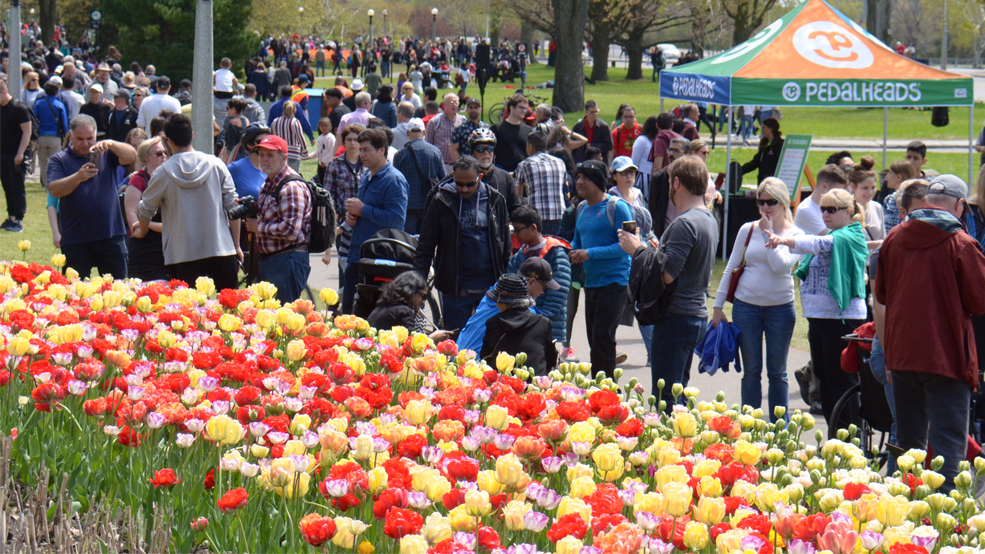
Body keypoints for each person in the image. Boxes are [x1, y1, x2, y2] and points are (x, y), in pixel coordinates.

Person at [876, 175, 985, 491]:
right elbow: (979, 301)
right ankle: (943, 520)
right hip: (946, 355)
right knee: (948, 443)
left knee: (910, 445)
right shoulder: (960, 243)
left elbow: (882, 294)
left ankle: (905, 515)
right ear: (960, 205)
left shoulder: (894, 238)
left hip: (902, 354)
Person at [622, 156, 718, 408]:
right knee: (678, 395)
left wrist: (637, 249)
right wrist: (655, 250)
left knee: (666, 400)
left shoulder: (684, 223)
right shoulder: (707, 218)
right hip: (694, 314)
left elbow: (666, 276)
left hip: (676, 318)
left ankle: (673, 446)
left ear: (676, 183)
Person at [767, 188, 868, 423]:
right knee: (823, 376)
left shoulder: (850, 235)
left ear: (849, 211)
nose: (825, 214)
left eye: (832, 209)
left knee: (841, 377)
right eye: (822, 209)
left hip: (841, 319)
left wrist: (784, 239)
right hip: (819, 317)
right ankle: (835, 431)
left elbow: (819, 244)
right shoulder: (834, 234)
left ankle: (848, 437)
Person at [712, 177, 803, 421]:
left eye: (771, 202)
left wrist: (769, 235)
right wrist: (718, 306)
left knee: (777, 372)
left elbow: (780, 267)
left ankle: (777, 430)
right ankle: (749, 426)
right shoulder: (748, 229)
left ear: (783, 202)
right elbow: (731, 267)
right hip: (746, 307)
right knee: (751, 371)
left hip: (780, 309)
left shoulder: (796, 234)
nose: (765, 207)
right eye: (761, 202)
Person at [133, 114, 241, 291]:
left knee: (188, 312)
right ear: (192, 134)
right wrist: (236, 245)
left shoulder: (162, 173)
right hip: (220, 247)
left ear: (168, 141)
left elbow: (145, 209)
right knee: (229, 308)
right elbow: (233, 207)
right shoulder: (216, 164)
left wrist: (143, 229)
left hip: (182, 252)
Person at [413, 155, 512, 330]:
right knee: (457, 345)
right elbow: (425, 247)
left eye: (470, 184)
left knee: (490, 343)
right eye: (459, 184)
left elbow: (505, 246)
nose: (464, 189)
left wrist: (505, 282)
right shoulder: (441, 201)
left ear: (480, 177)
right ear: (452, 176)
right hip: (455, 291)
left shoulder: (495, 199)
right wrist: (418, 286)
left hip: (489, 289)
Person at [48, 114, 137, 278]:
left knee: (118, 290)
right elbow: (54, 190)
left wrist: (112, 144)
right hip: (76, 239)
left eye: (90, 138)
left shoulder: (105, 153)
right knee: (75, 294)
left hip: (111, 235)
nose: (85, 143)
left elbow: (131, 156)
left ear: (96, 136)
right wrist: (78, 177)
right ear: (70, 136)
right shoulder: (59, 159)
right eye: (79, 138)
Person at [570, 160, 633, 378]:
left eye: (585, 177)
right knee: (594, 339)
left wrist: (589, 253)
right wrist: (571, 251)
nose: (579, 182)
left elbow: (626, 246)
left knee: (603, 338)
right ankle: (599, 389)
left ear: (597, 181)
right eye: (578, 177)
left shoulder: (618, 207)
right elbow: (578, 241)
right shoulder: (581, 208)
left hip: (615, 282)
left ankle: (606, 392)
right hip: (592, 282)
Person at [342, 128, 409, 313]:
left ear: (382, 150)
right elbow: (362, 211)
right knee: (347, 313)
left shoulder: (394, 180)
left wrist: (364, 210)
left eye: (367, 150)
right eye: (360, 150)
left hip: (378, 259)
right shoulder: (366, 175)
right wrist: (352, 216)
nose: (361, 154)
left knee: (368, 317)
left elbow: (396, 220)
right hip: (357, 253)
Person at [244, 135, 312, 303]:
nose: (264, 159)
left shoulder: (291, 187)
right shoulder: (269, 182)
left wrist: (257, 227)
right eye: (261, 155)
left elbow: (291, 230)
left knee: (283, 321)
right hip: (272, 260)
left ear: (284, 158)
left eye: (270, 155)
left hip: (287, 261)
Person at [507, 205, 571, 344]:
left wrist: (540, 317)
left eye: (518, 230)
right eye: (513, 230)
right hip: (523, 325)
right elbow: (509, 286)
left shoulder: (556, 253)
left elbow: (559, 291)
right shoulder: (519, 255)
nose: (515, 235)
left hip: (550, 326)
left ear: (533, 228)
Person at [480, 273, 558, 375]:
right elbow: (551, 360)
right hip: (536, 387)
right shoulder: (543, 323)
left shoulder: (493, 323)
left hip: (503, 387)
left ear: (502, 301)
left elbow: (485, 359)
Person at [323, 124, 366, 290]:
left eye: (356, 140)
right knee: (345, 265)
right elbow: (328, 195)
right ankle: (343, 302)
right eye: (349, 139)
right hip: (343, 224)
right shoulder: (335, 165)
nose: (353, 143)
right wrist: (334, 216)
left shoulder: (368, 164)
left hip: (364, 222)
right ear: (344, 142)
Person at [123, 136, 171, 281]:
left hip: (167, 247)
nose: (163, 156)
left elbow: (173, 226)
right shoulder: (137, 181)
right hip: (144, 250)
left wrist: (146, 224)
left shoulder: (170, 178)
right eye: (158, 153)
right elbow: (136, 227)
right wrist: (142, 227)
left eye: (165, 152)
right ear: (146, 157)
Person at [368, 272, 455, 341]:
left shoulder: (383, 307)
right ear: (411, 292)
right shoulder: (404, 311)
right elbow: (411, 347)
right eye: (423, 296)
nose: (423, 302)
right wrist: (432, 338)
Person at [395, 118, 445, 234]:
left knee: (408, 242)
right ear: (424, 132)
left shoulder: (400, 154)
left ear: (408, 133)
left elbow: (396, 181)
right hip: (429, 204)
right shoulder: (435, 151)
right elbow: (443, 178)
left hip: (407, 205)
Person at [514, 131, 568, 235]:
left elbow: (518, 196)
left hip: (537, 217)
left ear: (530, 146)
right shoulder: (560, 162)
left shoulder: (524, 164)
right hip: (559, 214)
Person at [0, 78, 33, 233]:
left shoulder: (19, 108)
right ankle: (11, 217)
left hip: (17, 154)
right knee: (7, 187)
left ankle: (19, 220)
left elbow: (27, 132)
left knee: (17, 187)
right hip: (3, 154)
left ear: (4, 92)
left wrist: (20, 153)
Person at [468, 128, 522, 215]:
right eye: (480, 149)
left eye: (489, 149)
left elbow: (515, 208)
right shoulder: (466, 177)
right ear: (472, 152)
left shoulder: (505, 177)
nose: (486, 153)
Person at [648, 137, 691, 238]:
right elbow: (653, 210)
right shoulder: (659, 177)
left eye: (676, 151)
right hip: (665, 235)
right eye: (670, 150)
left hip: (687, 231)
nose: (671, 154)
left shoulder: (692, 178)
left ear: (687, 155)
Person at [34, 80, 70, 190]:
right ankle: (54, 182)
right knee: (56, 161)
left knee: (43, 162)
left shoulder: (39, 103)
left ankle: (45, 184)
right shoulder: (59, 105)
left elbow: (34, 119)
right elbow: (64, 123)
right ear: (57, 91)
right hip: (55, 136)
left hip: (41, 136)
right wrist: (66, 136)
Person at [793, 164, 849, 235]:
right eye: (835, 191)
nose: (838, 195)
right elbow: (835, 238)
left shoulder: (827, 207)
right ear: (824, 186)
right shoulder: (806, 210)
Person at [490, 93, 532, 172]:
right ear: (511, 108)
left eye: (525, 108)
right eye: (521, 107)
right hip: (502, 170)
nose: (524, 111)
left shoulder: (528, 130)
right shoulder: (497, 128)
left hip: (522, 171)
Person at [425, 92, 465, 173]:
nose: (454, 105)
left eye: (456, 103)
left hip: (459, 166)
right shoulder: (434, 122)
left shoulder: (463, 121)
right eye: (451, 102)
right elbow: (428, 145)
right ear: (444, 105)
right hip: (441, 166)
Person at [850, 157, 885, 242]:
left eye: (873, 187)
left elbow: (883, 238)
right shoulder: (846, 208)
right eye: (865, 188)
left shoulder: (877, 207)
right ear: (853, 186)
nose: (870, 192)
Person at [740, 117, 783, 185]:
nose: (762, 130)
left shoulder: (780, 145)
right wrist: (739, 171)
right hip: (763, 182)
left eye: (764, 128)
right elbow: (755, 162)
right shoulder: (764, 144)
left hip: (774, 184)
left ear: (771, 129)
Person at [882, 160, 918, 234]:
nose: (886, 176)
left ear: (899, 177)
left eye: (890, 173)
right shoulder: (889, 199)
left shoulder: (914, 201)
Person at [271, 100, 307, 173]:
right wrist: (305, 153)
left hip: (280, 153)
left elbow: (272, 138)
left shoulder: (275, 121)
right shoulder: (295, 122)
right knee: (293, 176)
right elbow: (301, 138)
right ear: (295, 110)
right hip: (294, 154)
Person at [450, 97, 486, 162]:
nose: (473, 110)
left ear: (480, 110)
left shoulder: (486, 128)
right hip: (467, 166)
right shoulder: (460, 128)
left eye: (475, 108)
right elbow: (453, 150)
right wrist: (461, 165)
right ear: (467, 110)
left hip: (483, 164)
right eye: (471, 108)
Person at [633, 116, 658, 199]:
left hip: (652, 176)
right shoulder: (642, 140)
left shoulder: (657, 141)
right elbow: (635, 161)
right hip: (643, 175)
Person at [220, 97, 250, 163]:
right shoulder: (246, 121)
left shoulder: (232, 123)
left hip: (234, 154)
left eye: (228, 108)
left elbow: (231, 143)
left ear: (233, 109)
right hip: (245, 153)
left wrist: (224, 158)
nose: (227, 111)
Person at [314, 117, 336, 185]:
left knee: (327, 182)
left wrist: (324, 161)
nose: (324, 128)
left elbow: (332, 151)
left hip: (328, 165)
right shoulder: (320, 137)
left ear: (330, 126)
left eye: (326, 126)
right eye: (322, 126)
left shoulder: (331, 137)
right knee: (320, 182)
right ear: (319, 127)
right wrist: (309, 156)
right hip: (320, 165)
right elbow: (319, 151)